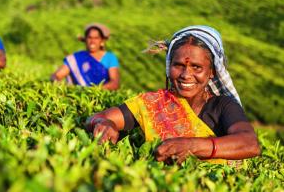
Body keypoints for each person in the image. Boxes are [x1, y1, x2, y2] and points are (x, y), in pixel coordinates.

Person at [85, 25, 260, 164]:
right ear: (169, 67)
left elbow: (250, 143)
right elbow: (96, 118)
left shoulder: (223, 106)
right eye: (179, 65)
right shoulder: (152, 103)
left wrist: (192, 146)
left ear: (212, 71)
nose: (186, 74)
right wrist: (104, 123)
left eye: (196, 67)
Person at [51, 23, 120, 90]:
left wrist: (94, 90)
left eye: (96, 38)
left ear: (101, 41)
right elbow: (57, 75)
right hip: (82, 97)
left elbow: (114, 83)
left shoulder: (110, 58)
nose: (92, 41)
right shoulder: (76, 58)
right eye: (89, 37)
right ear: (85, 40)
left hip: (102, 96)